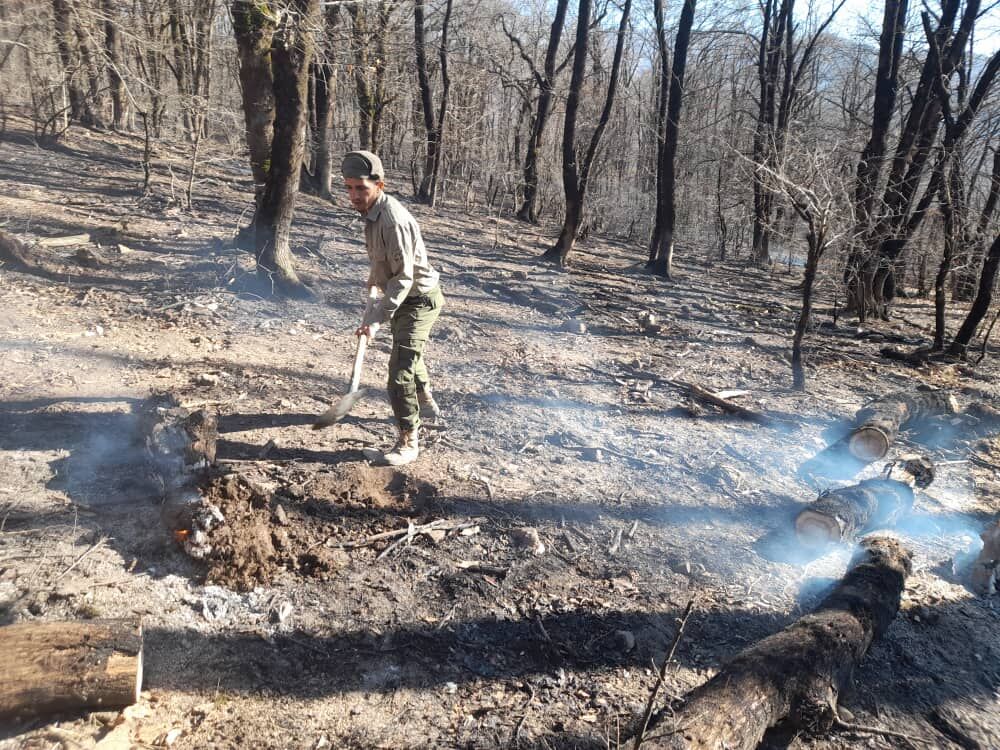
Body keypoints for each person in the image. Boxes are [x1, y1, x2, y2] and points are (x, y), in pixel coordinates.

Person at [341, 150, 444, 466]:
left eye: (361, 188)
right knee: (410, 355)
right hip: (401, 295)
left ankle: (408, 442)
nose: (355, 195)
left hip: (418, 301)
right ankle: (425, 403)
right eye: (349, 188)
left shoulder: (392, 220)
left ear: (379, 185)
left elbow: (404, 278)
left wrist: (374, 321)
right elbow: (381, 260)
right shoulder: (372, 212)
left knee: (399, 374)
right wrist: (374, 280)